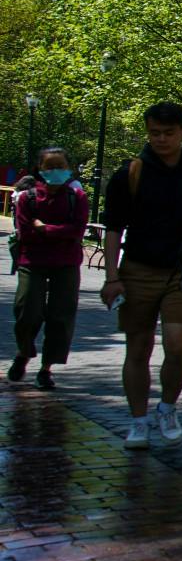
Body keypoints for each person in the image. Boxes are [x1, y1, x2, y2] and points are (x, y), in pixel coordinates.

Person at [100, 102, 182, 451]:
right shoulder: (130, 173)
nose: (161, 139)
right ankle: (138, 421)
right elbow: (112, 228)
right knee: (138, 347)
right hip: (137, 269)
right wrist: (111, 277)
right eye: (155, 133)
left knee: (178, 344)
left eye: (169, 133)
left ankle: (167, 408)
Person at [10, 147, 89, 389]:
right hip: (32, 262)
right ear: (40, 170)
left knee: (61, 316)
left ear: (69, 169)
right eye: (50, 167)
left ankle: (46, 369)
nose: (56, 172)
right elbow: (26, 234)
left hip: (66, 263)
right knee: (26, 310)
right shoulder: (27, 198)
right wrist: (59, 231)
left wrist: (45, 229)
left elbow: (78, 231)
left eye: (61, 167)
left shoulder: (77, 197)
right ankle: (24, 352)